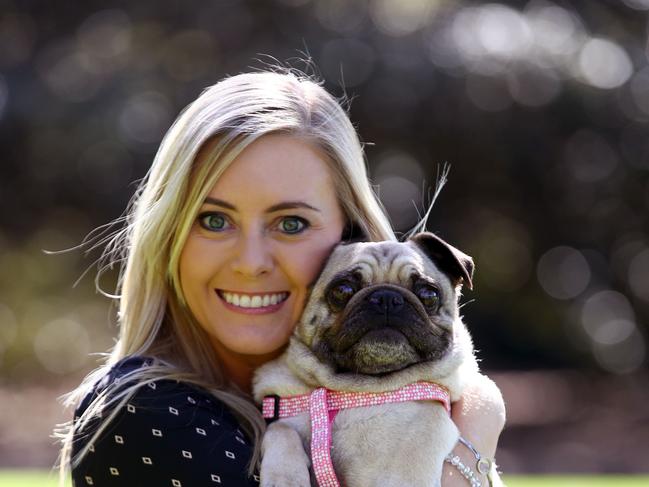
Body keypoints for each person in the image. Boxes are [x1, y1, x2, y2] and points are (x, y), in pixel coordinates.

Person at [57, 68, 506, 486]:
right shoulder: (144, 412)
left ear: (348, 235)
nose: (251, 262)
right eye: (214, 221)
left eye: (291, 223)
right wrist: (474, 439)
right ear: (168, 239)